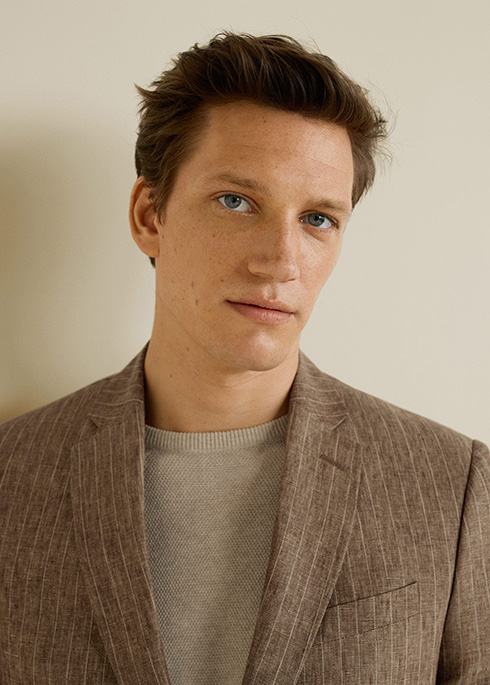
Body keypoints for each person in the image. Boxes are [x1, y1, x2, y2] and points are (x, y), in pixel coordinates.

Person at [0, 32, 488, 685]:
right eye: (237, 201)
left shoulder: (451, 486)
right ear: (149, 216)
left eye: (318, 219)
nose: (281, 262)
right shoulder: (13, 476)